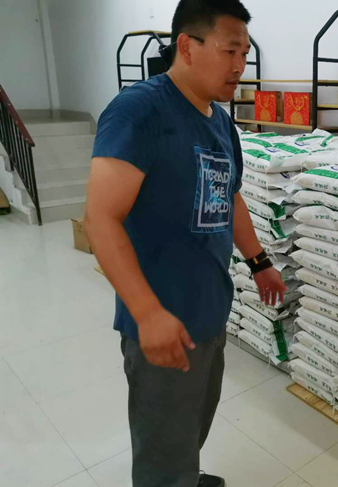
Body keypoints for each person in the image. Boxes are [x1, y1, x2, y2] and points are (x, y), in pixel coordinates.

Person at [84, 1, 287, 486]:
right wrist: (147, 313)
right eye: (229, 50)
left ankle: (185, 476)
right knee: (162, 443)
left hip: (208, 311)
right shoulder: (140, 110)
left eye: (245, 52)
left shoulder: (219, 121)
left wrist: (259, 261)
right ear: (187, 46)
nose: (240, 65)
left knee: (191, 425)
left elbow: (229, 195)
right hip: (161, 318)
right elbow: (100, 219)